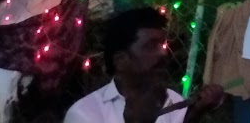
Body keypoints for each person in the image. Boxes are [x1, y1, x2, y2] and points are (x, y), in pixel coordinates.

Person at [65, 8, 224, 123]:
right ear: (120, 60)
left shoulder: (173, 101)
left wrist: (196, 112)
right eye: (150, 46)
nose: (162, 54)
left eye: (161, 45)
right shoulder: (85, 114)